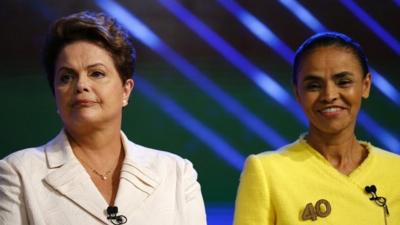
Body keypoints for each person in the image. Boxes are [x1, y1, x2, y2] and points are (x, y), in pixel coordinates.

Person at [0, 11, 206, 225]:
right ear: (55, 94)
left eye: (96, 73)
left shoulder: (177, 174)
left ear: (126, 91)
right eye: (66, 77)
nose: (81, 85)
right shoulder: (18, 173)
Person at [233, 32, 400, 225]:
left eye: (343, 82)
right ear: (297, 93)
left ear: (365, 85)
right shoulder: (267, 172)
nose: (329, 95)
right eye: (314, 85)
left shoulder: (396, 171)